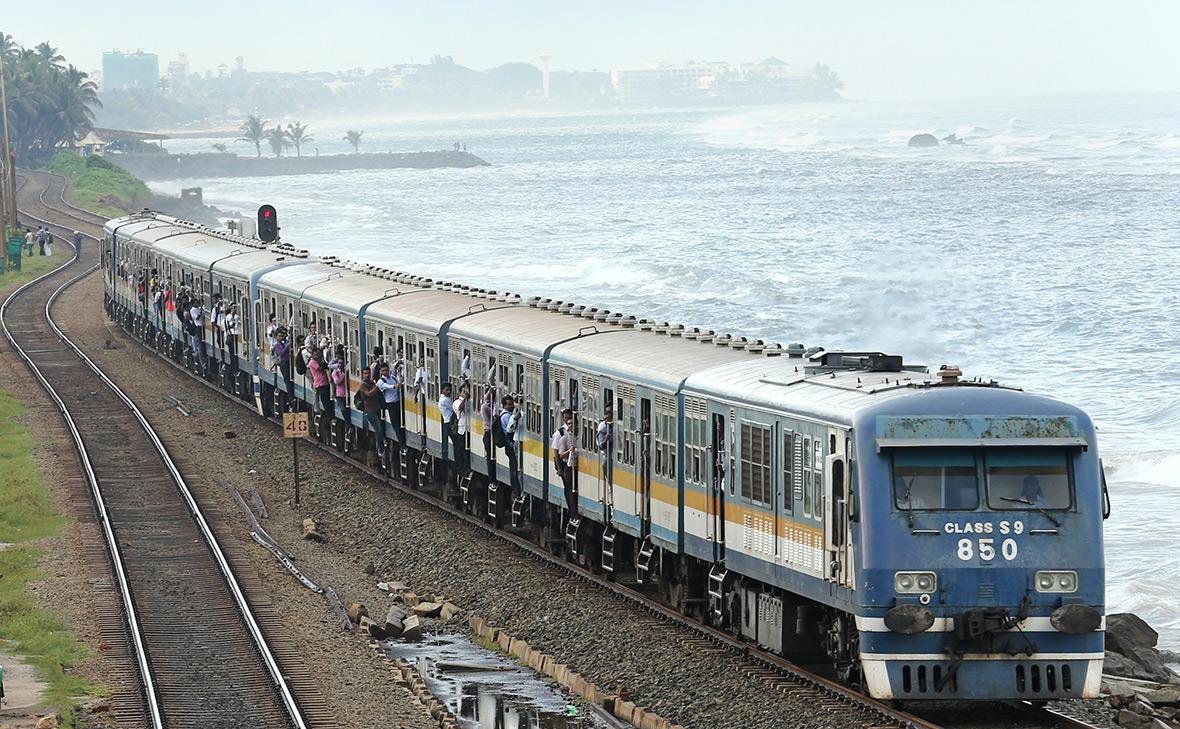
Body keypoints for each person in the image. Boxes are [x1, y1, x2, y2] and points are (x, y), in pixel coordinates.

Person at [359, 370, 385, 463]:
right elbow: (369, 394)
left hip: (377, 409)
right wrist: (377, 386)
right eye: (365, 373)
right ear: (362, 374)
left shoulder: (372, 383)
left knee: (380, 430)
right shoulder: (363, 385)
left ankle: (381, 446)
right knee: (378, 430)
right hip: (370, 411)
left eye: (368, 373)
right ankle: (381, 449)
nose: (367, 375)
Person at [499, 394, 522, 498]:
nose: (512, 406)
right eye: (510, 404)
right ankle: (516, 490)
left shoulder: (509, 414)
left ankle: (517, 489)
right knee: (514, 468)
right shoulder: (508, 416)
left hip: (513, 443)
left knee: (515, 468)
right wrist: (515, 419)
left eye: (513, 404)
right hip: (511, 444)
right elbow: (509, 429)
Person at [376, 363, 404, 448]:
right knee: (396, 425)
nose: (385, 372)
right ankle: (402, 445)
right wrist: (395, 386)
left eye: (386, 370)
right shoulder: (380, 381)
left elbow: (394, 369)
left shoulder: (393, 377)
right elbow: (387, 387)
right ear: (380, 372)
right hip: (390, 404)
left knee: (401, 423)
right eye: (383, 371)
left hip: (398, 402)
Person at [272, 327, 294, 408]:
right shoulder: (276, 345)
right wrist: (288, 345)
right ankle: (291, 397)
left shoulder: (283, 343)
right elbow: (281, 353)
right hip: (283, 364)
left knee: (289, 380)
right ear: (276, 337)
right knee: (287, 380)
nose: (281, 337)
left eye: (282, 336)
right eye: (279, 336)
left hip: (288, 362)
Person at [452, 384, 470, 477]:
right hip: (462, 429)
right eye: (463, 392)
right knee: (461, 450)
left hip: (470, 429)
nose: (465, 393)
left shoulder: (470, 401)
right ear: (460, 393)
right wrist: (465, 399)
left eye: (466, 391)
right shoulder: (456, 402)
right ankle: (462, 470)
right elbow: (460, 408)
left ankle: (467, 468)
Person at [308, 347, 331, 414]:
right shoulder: (312, 362)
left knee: (327, 399)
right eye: (315, 354)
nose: (317, 356)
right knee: (325, 400)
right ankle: (327, 414)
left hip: (325, 382)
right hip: (320, 384)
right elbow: (320, 368)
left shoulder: (318, 361)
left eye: (318, 354)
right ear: (312, 355)